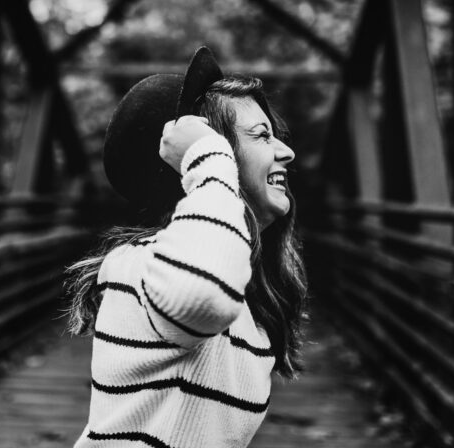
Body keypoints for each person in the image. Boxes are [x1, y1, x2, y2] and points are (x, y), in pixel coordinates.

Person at [66, 47, 308, 448]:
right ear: (197, 159)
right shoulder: (139, 266)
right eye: (262, 136)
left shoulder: (246, 299)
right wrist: (211, 158)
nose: (286, 151)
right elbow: (202, 296)